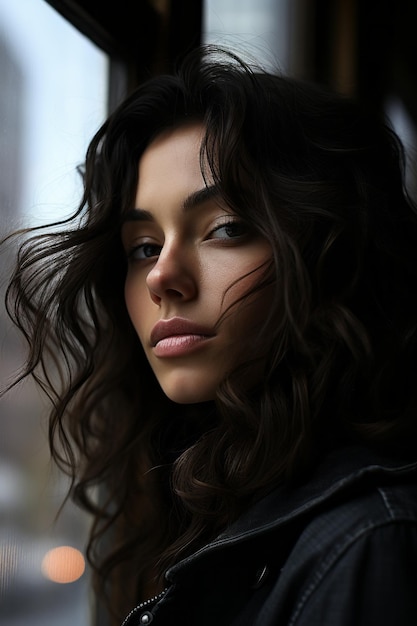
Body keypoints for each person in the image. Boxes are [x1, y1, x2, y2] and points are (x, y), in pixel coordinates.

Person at [3, 46, 417, 625]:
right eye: (143, 247)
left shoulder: (372, 541)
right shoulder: (210, 503)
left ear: (332, 257)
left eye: (225, 229)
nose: (162, 277)